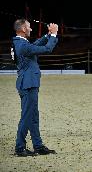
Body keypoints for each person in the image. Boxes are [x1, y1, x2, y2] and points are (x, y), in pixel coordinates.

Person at [11, 19, 59, 157]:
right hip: (28, 83)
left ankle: (38, 145)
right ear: (23, 29)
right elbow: (47, 49)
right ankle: (19, 147)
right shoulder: (22, 45)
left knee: (33, 116)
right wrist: (54, 35)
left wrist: (48, 35)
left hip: (28, 82)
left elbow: (35, 45)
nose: (31, 29)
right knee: (27, 116)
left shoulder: (20, 42)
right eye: (29, 27)